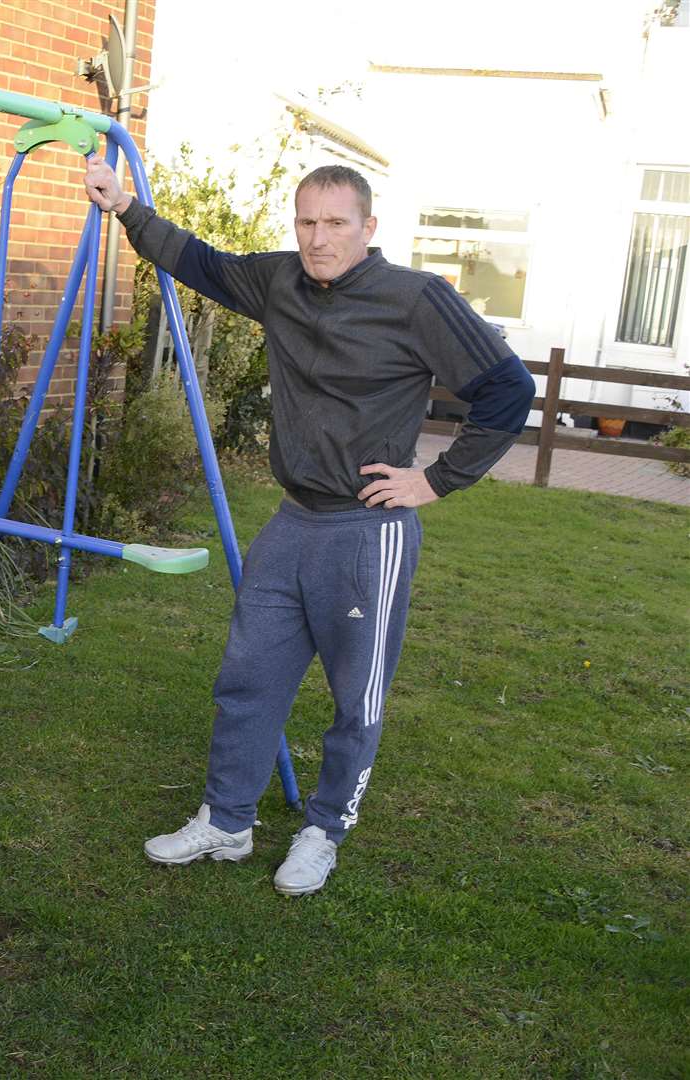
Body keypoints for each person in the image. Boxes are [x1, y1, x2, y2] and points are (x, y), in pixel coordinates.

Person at [84, 159, 533, 895]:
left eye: (335, 223)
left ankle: (323, 830)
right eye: (307, 222)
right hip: (292, 522)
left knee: (355, 699)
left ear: (368, 227)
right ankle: (227, 821)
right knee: (247, 678)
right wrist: (126, 206)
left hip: (367, 531)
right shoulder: (280, 281)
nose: (318, 238)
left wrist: (436, 480)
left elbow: (509, 389)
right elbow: (199, 262)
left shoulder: (416, 300)